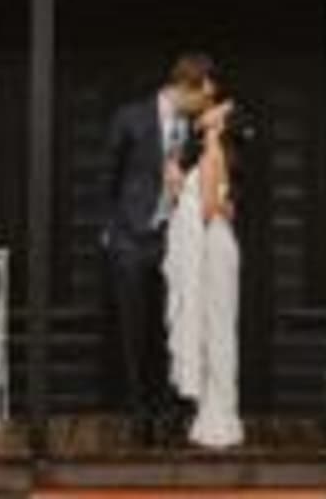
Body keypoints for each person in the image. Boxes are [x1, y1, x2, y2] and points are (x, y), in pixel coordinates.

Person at [101, 52, 217, 447]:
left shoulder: (197, 128)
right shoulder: (129, 117)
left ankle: (171, 413)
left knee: (174, 330)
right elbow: (108, 178)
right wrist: (112, 232)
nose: (207, 103)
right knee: (135, 333)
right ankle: (139, 414)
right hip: (131, 242)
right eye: (203, 95)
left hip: (176, 244)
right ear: (187, 87)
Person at [162, 84, 245, 448]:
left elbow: (210, 209)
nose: (203, 117)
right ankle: (215, 409)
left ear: (219, 124)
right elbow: (224, 207)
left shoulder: (213, 152)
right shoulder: (209, 154)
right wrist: (180, 188)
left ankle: (220, 414)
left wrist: (184, 197)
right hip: (213, 243)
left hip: (212, 247)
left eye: (212, 115)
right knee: (214, 327)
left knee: (218, 328)